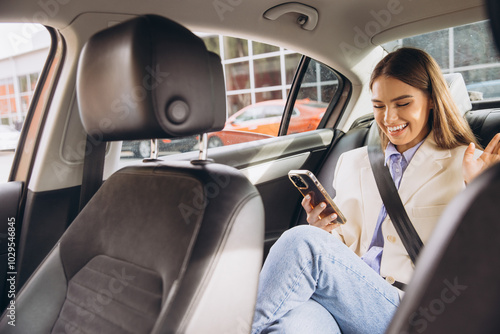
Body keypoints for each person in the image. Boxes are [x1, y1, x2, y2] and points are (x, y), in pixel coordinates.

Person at [251, 47, 500, 334]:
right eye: (379, 106)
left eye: (403, 103)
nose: (389, 118)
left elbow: (483, 266)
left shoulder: (470, 163)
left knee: (302, 242)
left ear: (431, 100)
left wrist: (480, 188)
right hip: (351, 299)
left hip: (416, 310)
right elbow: (346, 247)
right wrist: (324, 229)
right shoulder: (353, 162)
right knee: (294, 323)